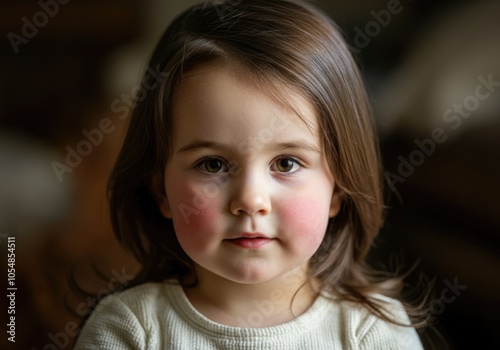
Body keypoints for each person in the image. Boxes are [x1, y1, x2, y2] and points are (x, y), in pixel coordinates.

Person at [74, 0, 425, 348]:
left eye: (286, 163)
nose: (250, 201)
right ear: (161, 190)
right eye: (213, 164)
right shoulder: (128, 329)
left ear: (338, 188)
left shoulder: (374, 334)